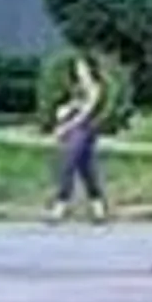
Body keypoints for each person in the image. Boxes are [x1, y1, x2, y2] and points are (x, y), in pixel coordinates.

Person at [46, 52, 111, 224]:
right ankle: (99, 210)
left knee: (68, 163)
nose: (79, 71)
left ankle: (60, 207)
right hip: (76, 130)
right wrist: (63, 112)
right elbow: (69, 108)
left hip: (87, 129)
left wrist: (65, 128)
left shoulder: (97, 87)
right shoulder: (78, 89)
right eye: (77, 68)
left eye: (82, 67)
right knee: (86, 169)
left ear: (90, 69)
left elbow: (86, 113)